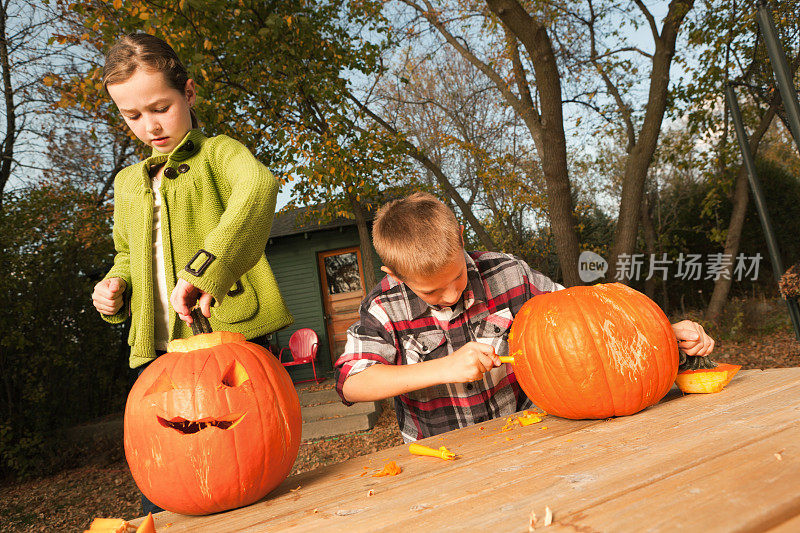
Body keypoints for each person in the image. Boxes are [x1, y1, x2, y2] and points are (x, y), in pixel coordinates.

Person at [90, 33, 293, 513]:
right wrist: (114, 286)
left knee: (249, 473)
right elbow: (126, 254)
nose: (149, 126)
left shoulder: (219, 154)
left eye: (160, 107)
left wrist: (206, 269)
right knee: (170, 482)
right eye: (132, 116)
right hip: (158, 357)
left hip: (229, 347)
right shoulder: (127, 184)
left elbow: (258, 188)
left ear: (190, 93)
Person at [335, 192, 714, 443]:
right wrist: (443, 368)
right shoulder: (383, 306)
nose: (451, 295)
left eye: (457, 278)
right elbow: (352, 382)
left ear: (461, 239)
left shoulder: (509, 274)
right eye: (431, 291)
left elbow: (590, 327)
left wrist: (665, 337)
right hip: (444, 457)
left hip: (530, 435)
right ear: (395, 274)